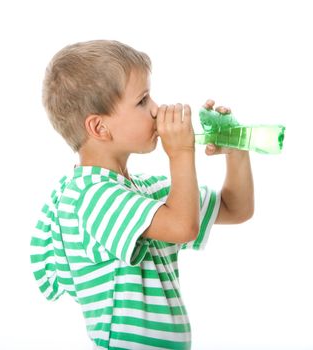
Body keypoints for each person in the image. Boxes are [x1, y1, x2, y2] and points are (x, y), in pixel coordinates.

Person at [30, 40, 254, 350]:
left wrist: (237, 150)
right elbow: (182, 226)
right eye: (142, 100)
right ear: (99, 127)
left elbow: (236, 208)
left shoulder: (144, 191)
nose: (157, 110)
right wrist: (180, 154)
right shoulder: (90, 196)